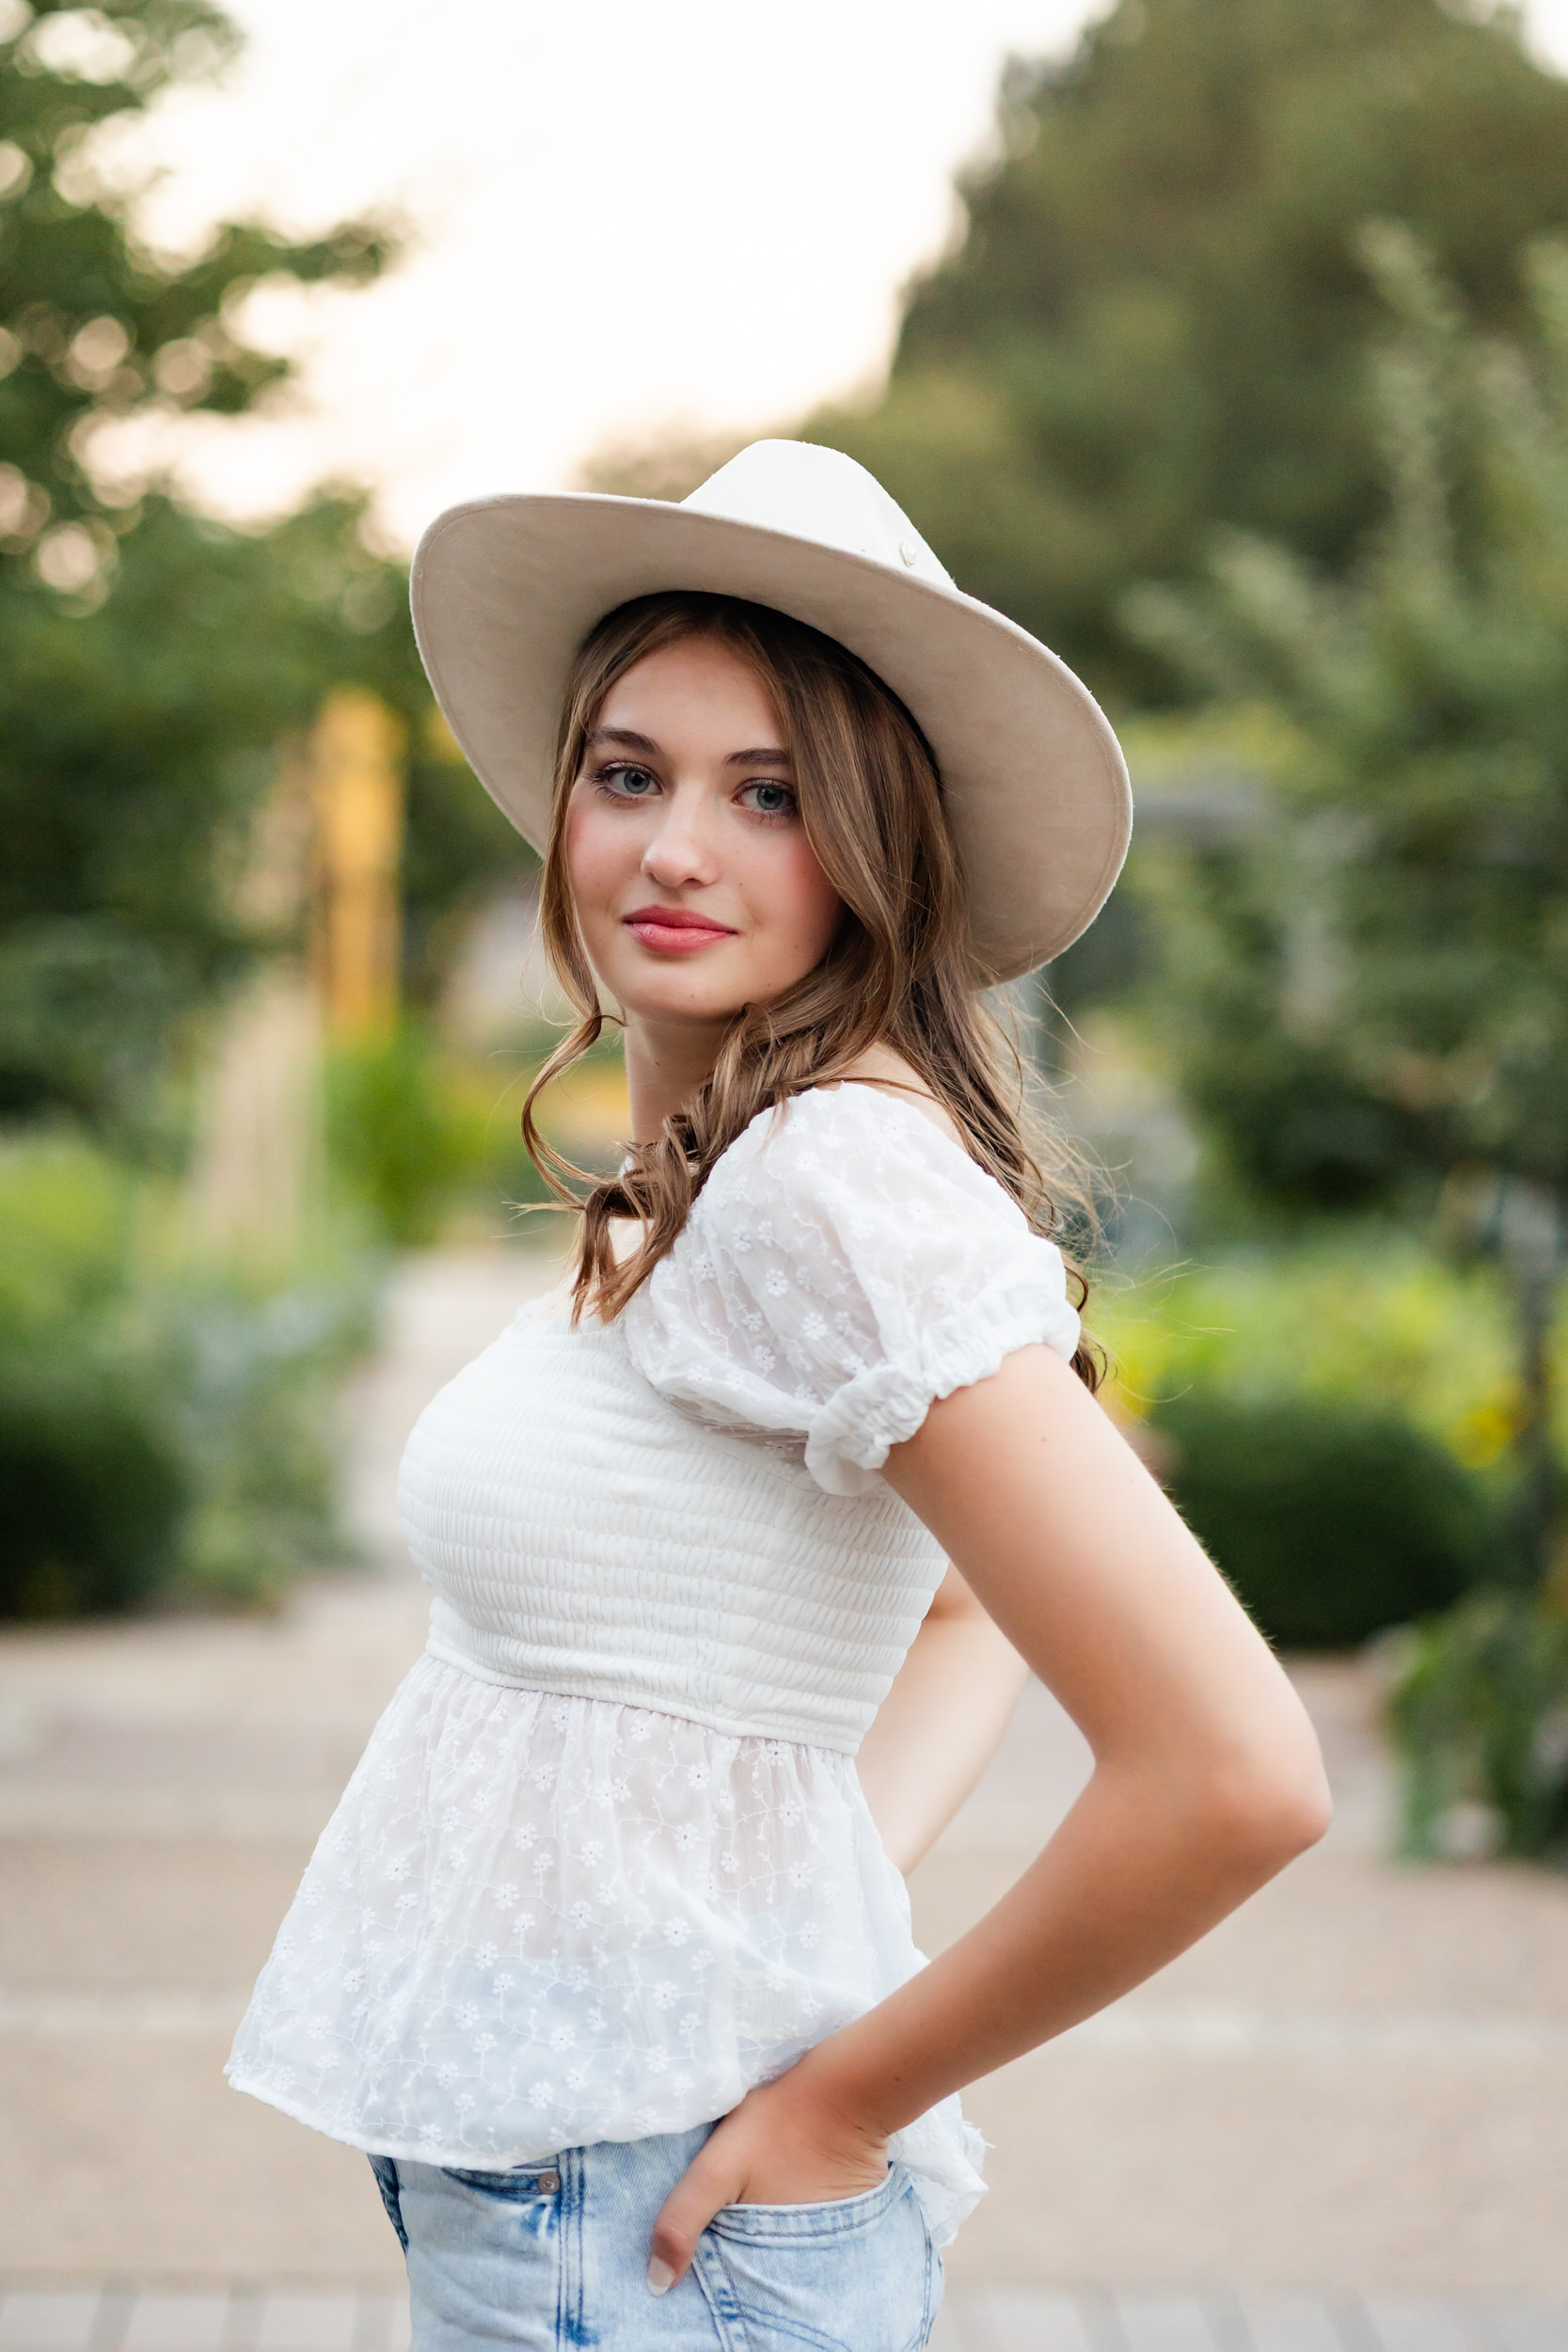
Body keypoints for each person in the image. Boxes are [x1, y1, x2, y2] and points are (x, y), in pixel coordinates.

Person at [228, 440, 1330, 2352]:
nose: (676, 847)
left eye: (773, 794)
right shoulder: (715, 1177)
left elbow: (1235, 1774)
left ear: (878, 849)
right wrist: (794, 1900)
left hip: (647, 2231)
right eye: (627, 773)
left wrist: (839, 2092)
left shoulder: (830, 1179)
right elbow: (963, 1604)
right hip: (577, 2189)